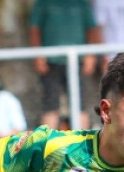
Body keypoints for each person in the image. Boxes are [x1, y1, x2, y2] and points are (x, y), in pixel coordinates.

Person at [28, 0, 101, 130]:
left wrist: (90, 54)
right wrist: (38, 54)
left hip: (77, 61)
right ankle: (48, 140)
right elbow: (34, 28)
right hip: (51, 61)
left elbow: (91, 28)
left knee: (79, 104)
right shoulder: (43, 3)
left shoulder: (81, 3)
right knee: (50, 105)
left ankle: (81, 139)